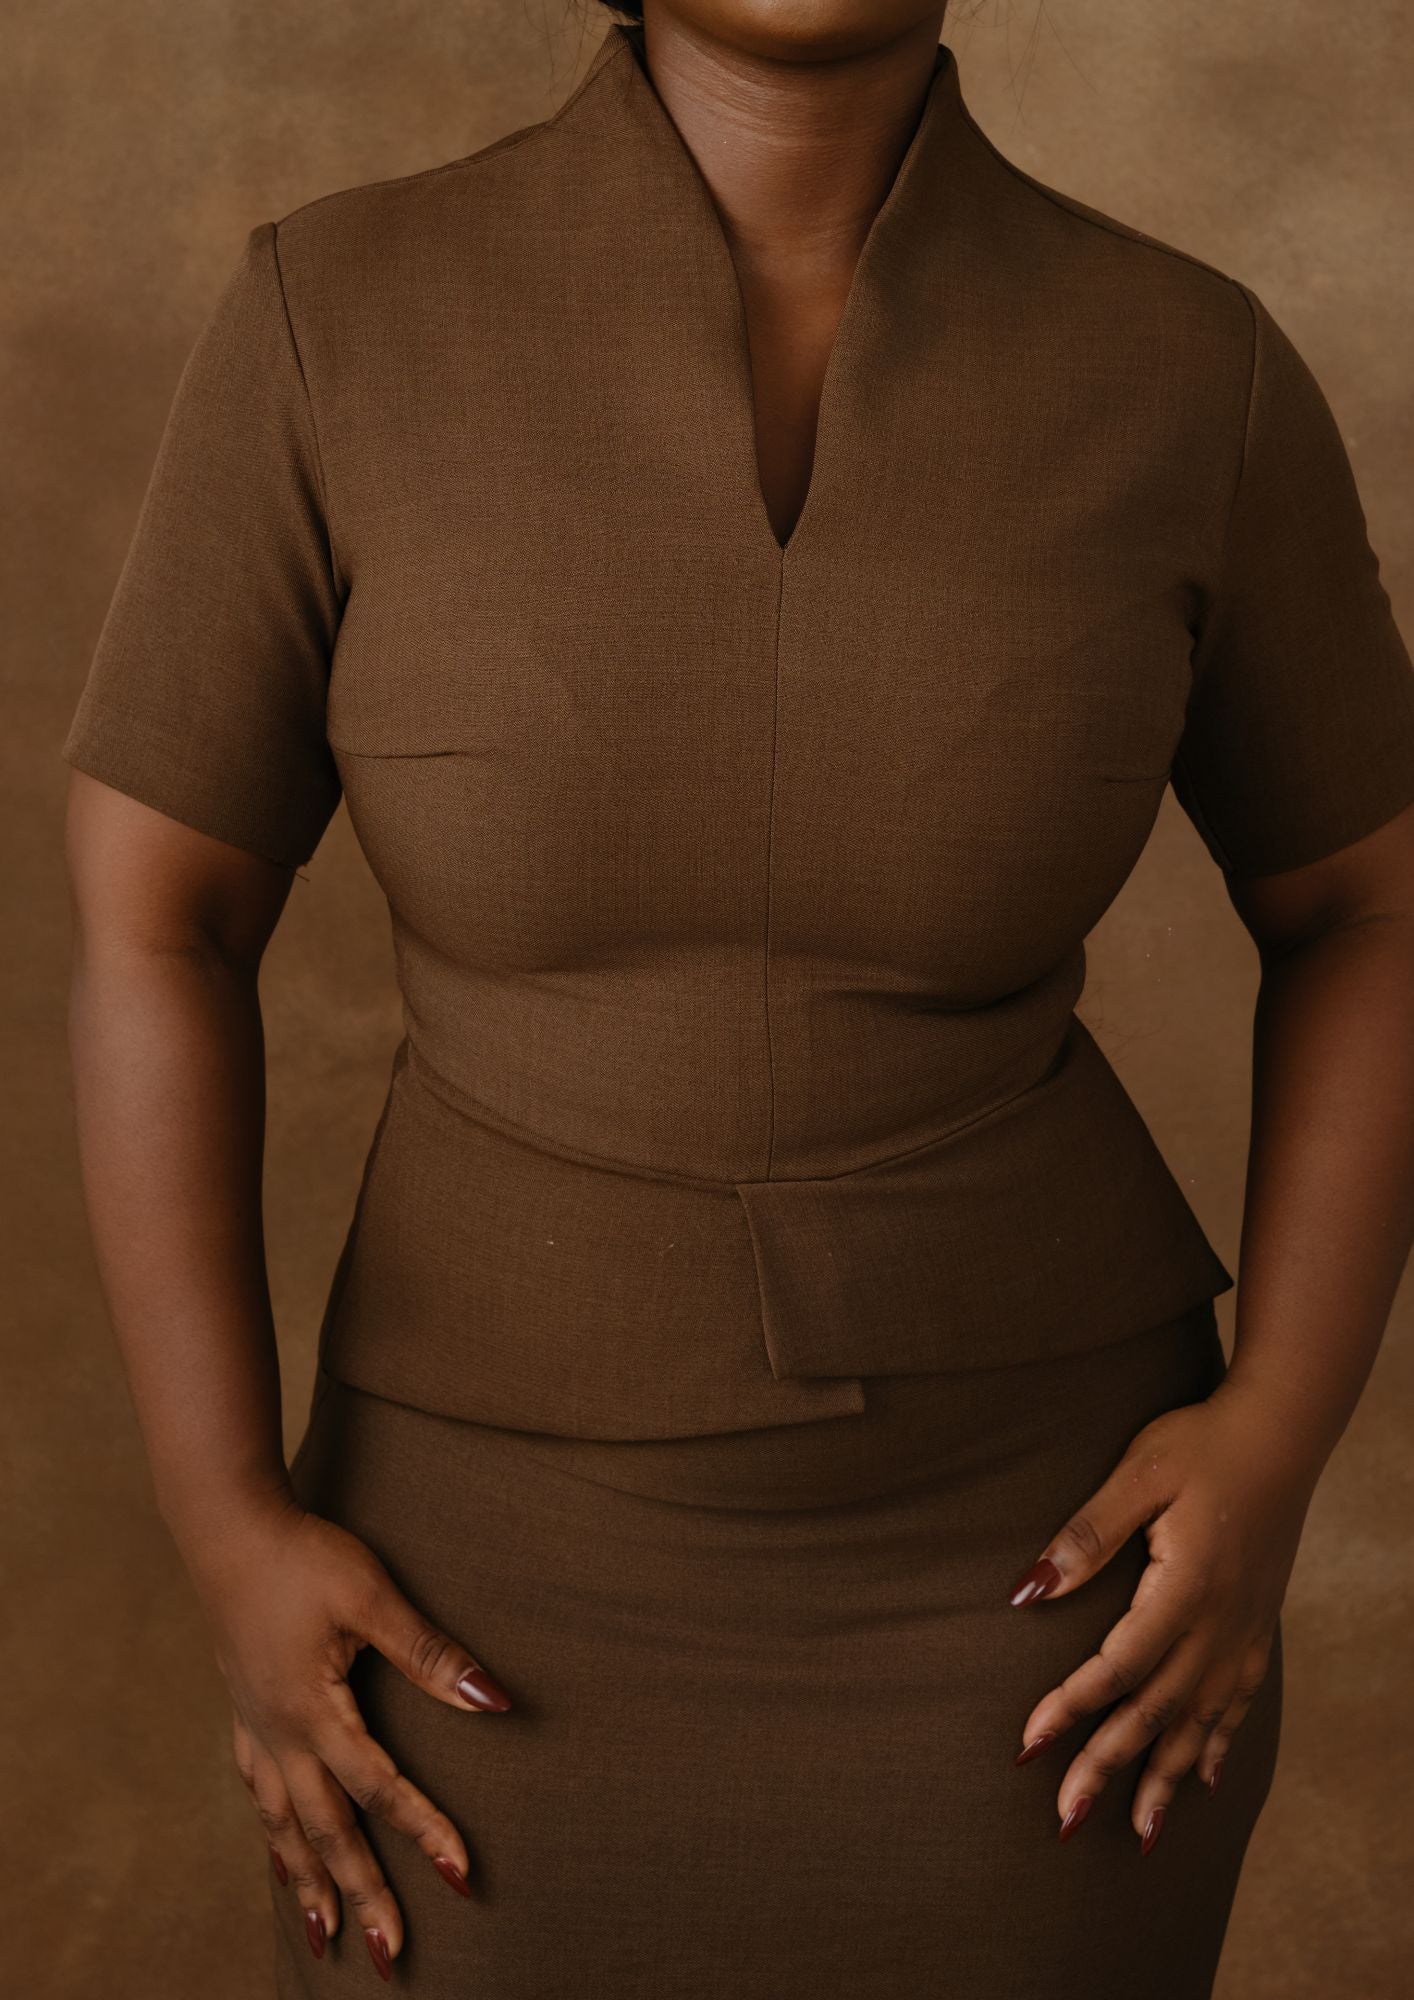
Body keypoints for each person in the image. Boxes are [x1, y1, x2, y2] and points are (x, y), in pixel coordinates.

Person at [60, 3, 1414, 1994]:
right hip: (463, 1614)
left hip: (1041, 1642)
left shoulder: (1184, 367)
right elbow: (149, 920)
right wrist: (220, 1516)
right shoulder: (328, 315)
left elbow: (1370, 903)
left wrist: (1277, 1432)